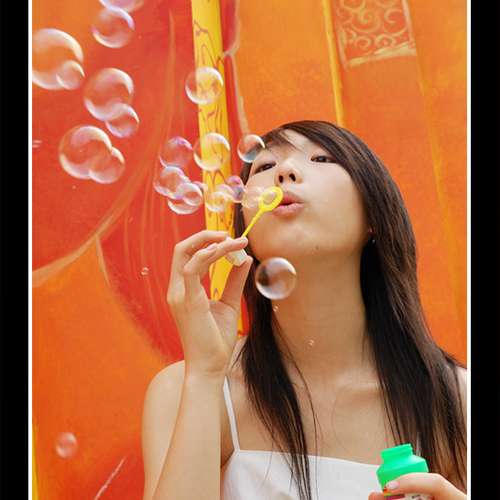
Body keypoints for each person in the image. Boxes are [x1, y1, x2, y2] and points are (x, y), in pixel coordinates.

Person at [141, 120, 467, 500]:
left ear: (374, 215)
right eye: (264, 166)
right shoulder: (188, 389)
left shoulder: (455, 398)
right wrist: (205, 374)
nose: (285, 171)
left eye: (321, 158)